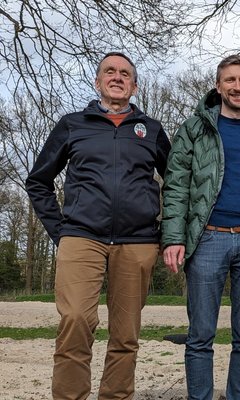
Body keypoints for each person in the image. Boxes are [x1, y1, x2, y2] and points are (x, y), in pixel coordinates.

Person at [25, 52, 171, 399]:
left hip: (138, 243)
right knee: (75, 320)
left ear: (134, 86)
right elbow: (38, 181)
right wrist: (60, 230)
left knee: (125, 334)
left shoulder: (151, 130)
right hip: (80, 237)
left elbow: (179, 184)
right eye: (110, 71)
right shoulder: (73, 124)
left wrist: (165, 233)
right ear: (97, 81)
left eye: (125, 74)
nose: (117, 77)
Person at [161, 54, 240, 400]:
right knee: (200, 334)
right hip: (208, 239)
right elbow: (175, 186)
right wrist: (173, 237)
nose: (237, 86)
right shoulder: (194, 129)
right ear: (218, 86)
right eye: (230, 80)